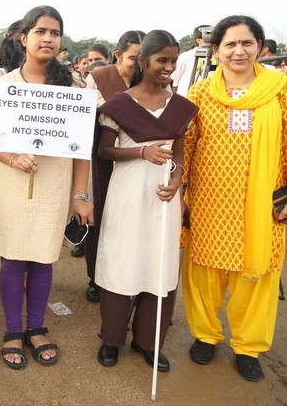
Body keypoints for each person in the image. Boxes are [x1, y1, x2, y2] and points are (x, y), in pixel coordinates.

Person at [181, 15, 287, 382]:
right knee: (206, 270)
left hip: (263, 202)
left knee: (256, 272)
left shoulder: (282, 90)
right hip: (210, 198)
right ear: (215, 51)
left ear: (261, 48)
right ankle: (206, 335)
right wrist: (178, 191)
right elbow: (186, 146)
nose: (238, 51)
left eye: (247, 43)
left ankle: (248, 346)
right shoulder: (199, 93)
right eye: (229, 44)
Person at [0, 6, 93, 370]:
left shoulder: (75, 86)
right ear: (23, 37)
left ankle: (36, 327)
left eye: (55, 32)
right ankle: (13, 331)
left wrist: (81, 196)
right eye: (41, 31)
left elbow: (83, 150)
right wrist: (13, 158)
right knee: (14, 256)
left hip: (55, 184)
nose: (48, 38)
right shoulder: (5, 85)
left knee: (44, 256)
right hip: (15, 182)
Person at [95, 30, 198, 373]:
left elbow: (181, 153)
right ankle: (111, 339)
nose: (168, 67)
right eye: (161, 60)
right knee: (122, 261)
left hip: (163, 199)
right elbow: (104, 150)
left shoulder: (179, 106)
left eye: (172, 60)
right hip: (126, 195)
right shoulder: (119, 105)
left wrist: (177, 179)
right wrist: (142, 151)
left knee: (159, 265)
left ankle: (148, 341)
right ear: (142, 62)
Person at [80, 30, 145, 301]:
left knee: (132, 219)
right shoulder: (98, 78)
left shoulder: (152, 77)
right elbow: (85, 118)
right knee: (102, 218)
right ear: (117, 55)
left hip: (139, 160)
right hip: (102, 156)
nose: (139, 64)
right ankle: (97, 277)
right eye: (133, 58)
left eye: (144, 58)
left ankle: (132, 277)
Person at [171, 24, 211, 95]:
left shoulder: (219, 57)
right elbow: (174, 81)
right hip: (186, 99)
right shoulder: (185, 57)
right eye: (209, 36)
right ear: (199, 40)